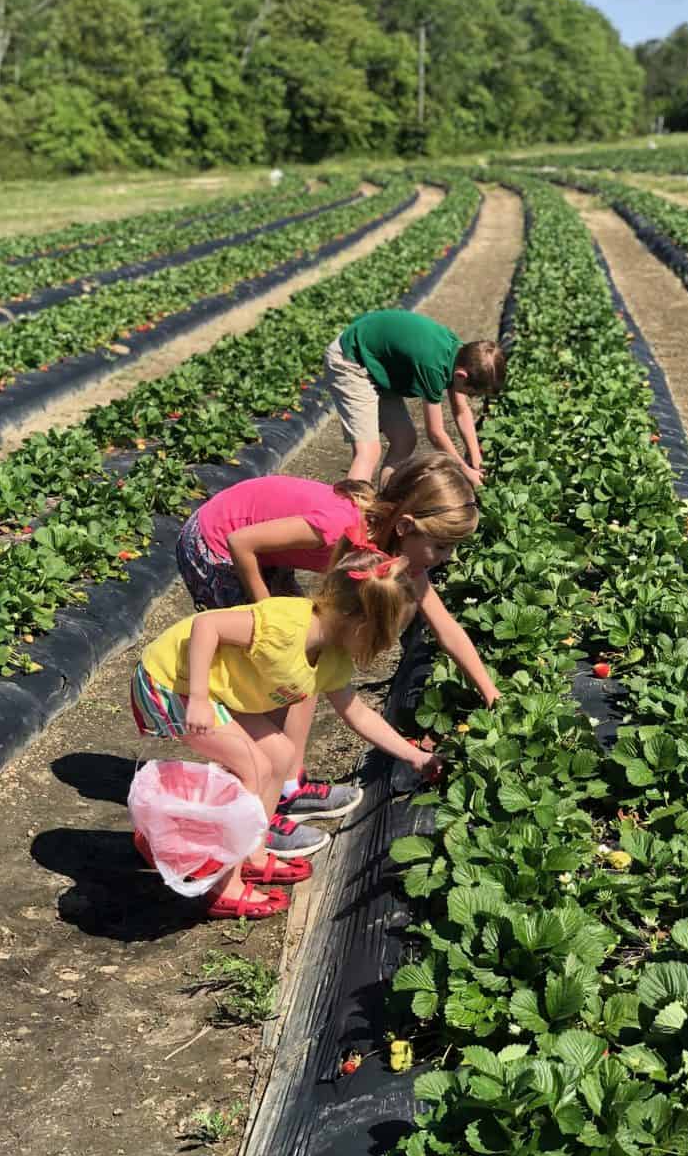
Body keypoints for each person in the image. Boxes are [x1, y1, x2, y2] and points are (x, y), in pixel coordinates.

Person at [174, 454, 500, 854]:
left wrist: (491, 692)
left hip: (258, 551)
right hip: (217, 545)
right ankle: (255, 805)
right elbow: (242, 542)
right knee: (273, 676)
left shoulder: (396, 553)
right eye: (441, 546)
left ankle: (288, 785)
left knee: (306, 668)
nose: (447, 558)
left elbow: (445, 626)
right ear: (405, 526)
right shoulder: (336, 526)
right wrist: (268, 616)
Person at [131, 549, 443, 920]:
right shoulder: (284, 625)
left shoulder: (332, 658)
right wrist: (197, 696)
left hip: (211, 691)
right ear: (359, 623)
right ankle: (221, 886)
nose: (383, 647)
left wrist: (417, 757)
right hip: (170, 682)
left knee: (278, 753)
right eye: (382, 637)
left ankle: (251, 851)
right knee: (253, 768)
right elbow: (206, 626)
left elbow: (357, 713)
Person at [324, 308, 506, 486]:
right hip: (350, 360)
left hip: (377, 362)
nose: (470, 397)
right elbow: (435, 433)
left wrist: (476, 459)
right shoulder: (433, 366)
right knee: (369, 452)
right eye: (472, 393)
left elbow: (461, 411)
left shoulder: (461, 354)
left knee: (405, 439)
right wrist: (465, 471)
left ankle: (384, 504)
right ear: (461, 375)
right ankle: (347, 511)